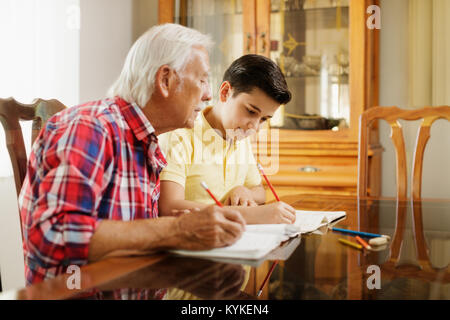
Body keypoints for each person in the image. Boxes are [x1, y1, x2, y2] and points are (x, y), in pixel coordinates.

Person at [18, 23, 246, 286]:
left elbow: (136, 242)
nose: (209, 94)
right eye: (203, 79)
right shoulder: (90, 127)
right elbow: (53, 236)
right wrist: (178, 230)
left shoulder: (145, 143)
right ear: (165, 80)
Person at [158, 54, 296, 224]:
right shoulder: (180, 132)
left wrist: (244, 191)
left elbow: (259, 191)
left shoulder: (239, 136)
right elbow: (169, 207)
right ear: (225, 92)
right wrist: (252, 215)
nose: (254, 126)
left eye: (263, 119)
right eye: (251, 111)